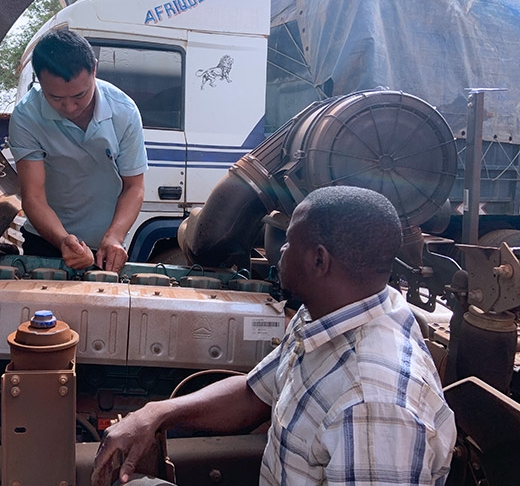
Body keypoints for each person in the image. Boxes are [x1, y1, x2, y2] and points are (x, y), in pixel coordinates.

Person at [92, 185, 457, 486]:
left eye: (289, 242)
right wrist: (155, 414)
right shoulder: (327, 314)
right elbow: (255, 393)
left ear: (319, 260)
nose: (278, 251)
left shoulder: (374, 405)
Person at [8, 29, 147, 272]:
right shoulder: (26, 116)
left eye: (80, 95)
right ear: (39, 79)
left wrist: (114, 237)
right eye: (56, 97)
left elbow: (134, 186)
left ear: (94, 69)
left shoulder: (124, 111)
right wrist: (63, 240)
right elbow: (33, 197)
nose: (70, 107)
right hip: (46, 240)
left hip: (106, 247)